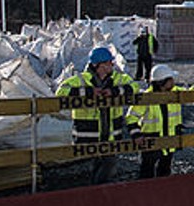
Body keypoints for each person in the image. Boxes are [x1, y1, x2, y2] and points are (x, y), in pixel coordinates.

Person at [55, 46, 140, 184]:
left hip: (111, 134)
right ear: (97, 65)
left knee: (108, 163)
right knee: (102, 163)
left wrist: (115, 91)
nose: (111, 65)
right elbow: (60, 92)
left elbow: (135, 87)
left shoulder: (118, 78)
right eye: (107, 63)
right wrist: (88, 92)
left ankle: (98, 190)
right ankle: (98, 191)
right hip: (89, 135)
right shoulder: (81, 79)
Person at [128, 64, 194, 179]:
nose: (173, 81)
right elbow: (131, 117)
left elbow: (189, 93)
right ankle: (146, 195)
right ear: (162, 83)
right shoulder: (145, 97)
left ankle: (162, 194)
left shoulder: (175, 92)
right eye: (170, 79)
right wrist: (136, 134)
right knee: (146, 173)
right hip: (152, 142)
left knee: (165, 171)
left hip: (170, 141)